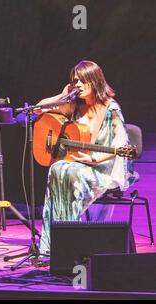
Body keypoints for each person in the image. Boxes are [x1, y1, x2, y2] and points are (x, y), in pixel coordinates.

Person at [36, 60, 136, 254]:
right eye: (75, 81)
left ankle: (68, 239)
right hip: (78, 164)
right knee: (57, 168)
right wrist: (63, 96)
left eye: (83, 81)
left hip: (102, 168)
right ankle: (55, 241)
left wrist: (96, 159)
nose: (78, 85)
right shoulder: (73, 105)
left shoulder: (111, 109)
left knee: (70, 172)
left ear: (94, 81)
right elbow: (38, 109)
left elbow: (121, 143)